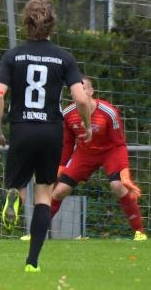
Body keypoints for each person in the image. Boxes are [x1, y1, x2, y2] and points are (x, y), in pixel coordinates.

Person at [0, 0, 92, 273]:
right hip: (51, 130)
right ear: (51, 24)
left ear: (26, 23)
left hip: (21, 128)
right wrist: (88, 126)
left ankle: (13, 191)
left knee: (16, 181)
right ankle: (32, 262)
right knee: (44, 193)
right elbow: (81, 99)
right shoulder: (63, 57)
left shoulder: (13, 56)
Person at [52, 76, 147, 241]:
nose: (79, 92)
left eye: (83, 89)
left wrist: (125, 173)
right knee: (59, 191)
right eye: (75, 90)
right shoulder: (67, 114)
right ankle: (36, 232)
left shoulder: (108, 112)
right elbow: (68, 144)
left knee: (117, 185)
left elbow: (119, 144)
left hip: (109, 151)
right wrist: (60, 166)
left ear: (91, 91)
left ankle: (139, 232)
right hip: (85, 153)